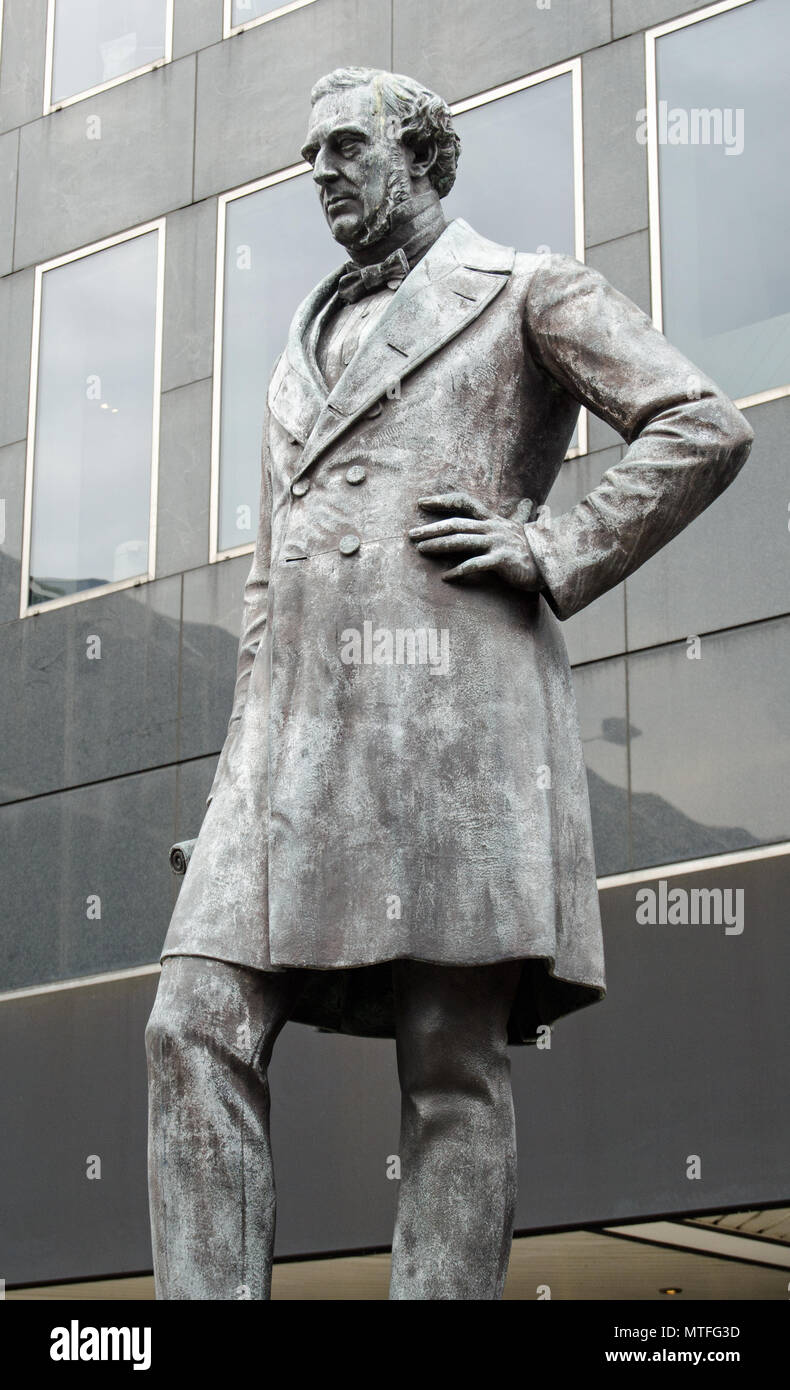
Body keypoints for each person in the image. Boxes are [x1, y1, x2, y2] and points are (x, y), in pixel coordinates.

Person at [145, 66, 753, 1300]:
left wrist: (554, 542)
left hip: (456, 734)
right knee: (189, 1022)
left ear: (421, 156)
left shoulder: (527, 287)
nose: (320, 174)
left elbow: (699, 423)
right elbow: (268, 595)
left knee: (451, 1063)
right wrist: (230, 786)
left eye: (346, 147)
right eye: (309, 155)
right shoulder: (297, 349)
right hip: (290, 756)